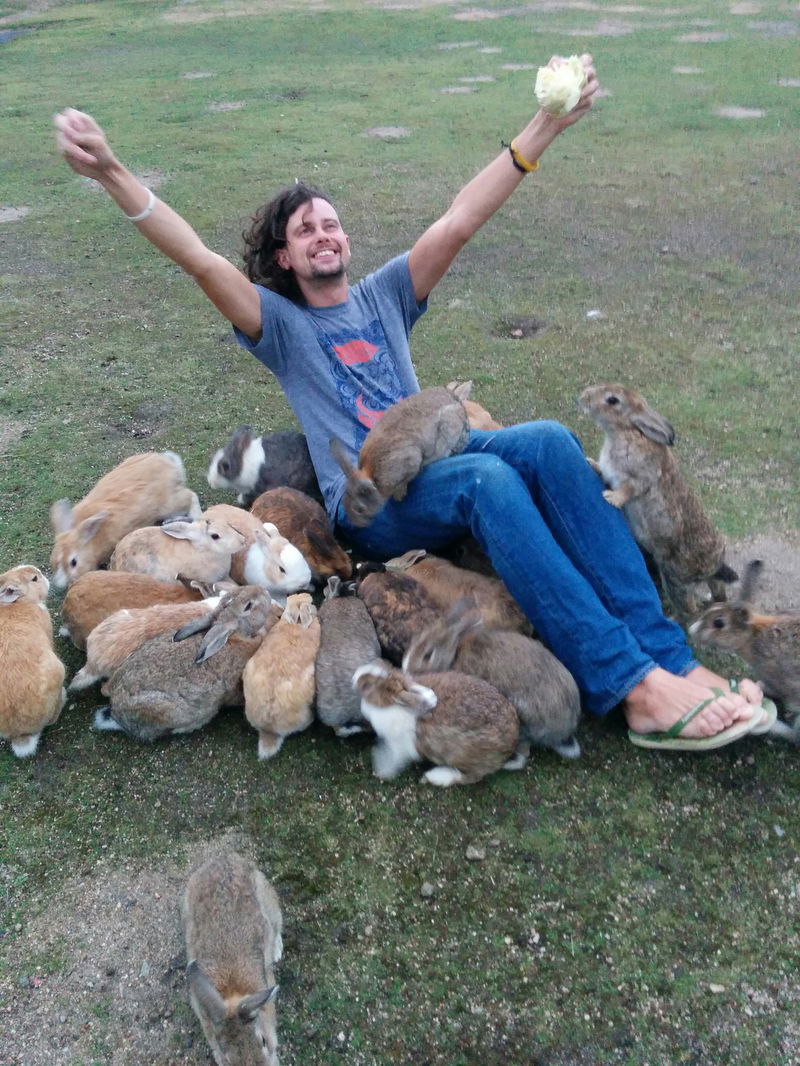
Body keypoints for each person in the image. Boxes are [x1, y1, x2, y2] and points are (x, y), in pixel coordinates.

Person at [54, 54, 766, 750]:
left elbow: (460, 219)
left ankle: (669, 656)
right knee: (489, 482)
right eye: (305, 231)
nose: (323, 235)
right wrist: (114, 171)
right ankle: (629, 682)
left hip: (444, 450)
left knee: (547, 438)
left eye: (330, 224)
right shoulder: (280, 326)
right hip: (374, 500)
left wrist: (548, 123)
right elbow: (200, 260)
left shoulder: (387, 292)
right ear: (283, 260)